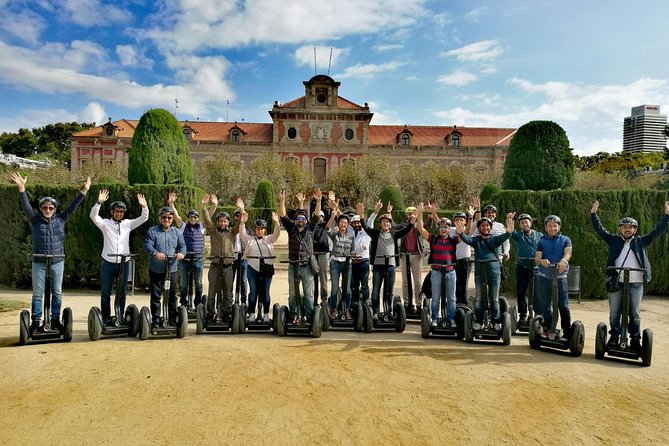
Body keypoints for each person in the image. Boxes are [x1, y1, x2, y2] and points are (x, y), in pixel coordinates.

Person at [12, 172, 91, 330]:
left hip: (57, 261)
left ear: (54, 210)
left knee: (57, 291)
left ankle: (55, 319)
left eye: (50, 208)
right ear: (41, 209)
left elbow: (73, 206)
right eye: (44, 207)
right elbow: (26, 207)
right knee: (38, 293)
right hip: (39, 261)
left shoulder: (61, 219)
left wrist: (84, 191)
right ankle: (35, 320)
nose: (47, 210)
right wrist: (21, 188)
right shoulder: (35, 220)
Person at [591, 200, 669, 351]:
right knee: (614, 312)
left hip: (635, 282)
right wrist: (594, 214)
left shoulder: (641, 241)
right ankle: (614, 336)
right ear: (620, 229)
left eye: (631, 227)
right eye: (624, 227)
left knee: (634, 313)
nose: (627, 229)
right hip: (616, 282)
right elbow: (600, 230)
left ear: (635, 230)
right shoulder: (613, 240)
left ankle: (634, 339)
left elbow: (656, 231)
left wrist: (666, 216)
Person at [91, 189, 149, 326]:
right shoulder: (105, 224)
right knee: (106, 293)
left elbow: (143, 218)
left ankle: (120, 316)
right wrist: (99, 202)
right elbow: (93, 216)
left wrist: (144, 206)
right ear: (112, 212)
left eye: (121, 212)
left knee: (122, 293)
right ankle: (105, 319)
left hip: (124, 262)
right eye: (116, 211)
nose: (119, 213)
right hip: (108, 262)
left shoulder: (128, 223)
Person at [456, 213, 515, 331]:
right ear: (479, 228)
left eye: (487, 226)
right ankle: (478, 320)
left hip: (494, 272)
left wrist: (508, 232)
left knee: (494, 298)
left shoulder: (495, 239)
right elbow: (466, 239)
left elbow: (504, 238)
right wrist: (460, 232)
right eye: (482, 226)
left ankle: (496, 321)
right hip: (479, 272)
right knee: (479, 299)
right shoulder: (476, 240)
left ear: (490, 227)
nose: (485, 227)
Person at [358, 202, 414, 321]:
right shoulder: (376, 234)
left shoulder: (394, 234)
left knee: (389, 291)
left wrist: (412, 221)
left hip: (391, 266)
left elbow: (406, 230)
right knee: (376, 290)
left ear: (390, 224)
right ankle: (375, 311)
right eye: (384, 221)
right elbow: (366, 227)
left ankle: (389, 311)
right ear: (380, 224)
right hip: (378, 265)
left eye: (388, 222)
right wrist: (361, 216)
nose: (386, 223)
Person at [415, 202, 458, 327]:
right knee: (436, 297)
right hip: (436, 271)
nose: (443, 229)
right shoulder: (433, 238)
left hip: (450, 271)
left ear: (449, 229)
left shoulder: (453, 240)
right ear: (438, 228)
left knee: (451, 298)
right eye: (441, 227)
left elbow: (465, 232)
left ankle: (451, 319)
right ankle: (434, 318)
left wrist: (471, 216)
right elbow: (420, 229)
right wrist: (420, 214)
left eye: (446, 227)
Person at [143, 206, 186, 327]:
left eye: (169, 217)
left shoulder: (177, 232)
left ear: (172, 219)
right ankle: (156, 319)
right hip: (156, 269)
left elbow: (183, 246)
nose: (166, 219)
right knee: (156, 295)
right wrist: (156, 253)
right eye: (164, 217)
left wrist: (181, 254)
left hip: (171, 270)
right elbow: (148, 245)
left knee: (172, 295)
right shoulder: (152, 231)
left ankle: (172, 318)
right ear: (160, 218)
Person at [279, 189, 316, 325]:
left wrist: (318, 201)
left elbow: (316, 216)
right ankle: (294, 315)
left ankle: (310, 316)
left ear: (306, 221)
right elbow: (283, 216)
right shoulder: (291, 229)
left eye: (303, 219)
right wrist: (282, 201)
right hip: (293, 266)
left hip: (306, 267)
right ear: (295, 221)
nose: (300, 220)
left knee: (308, 294)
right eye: (298, 218)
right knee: (293, 294)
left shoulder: (309, 230)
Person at [239, 208, 281, 323]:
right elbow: (242, 235)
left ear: (265, 230)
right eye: (258, 229)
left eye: (262, 229)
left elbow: (277, 234)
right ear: (254, 230)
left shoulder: (269, 239)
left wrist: (277, 223)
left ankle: (266, 314)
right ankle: (252, 313)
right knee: (253, 291)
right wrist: (242, 223)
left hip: (267, 268)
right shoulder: (250, 240)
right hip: (252, 268)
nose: (260, 231)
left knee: (265, 292)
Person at [201, 194, 239, 321]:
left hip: (228, 266)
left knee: (228, 293)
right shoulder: (213, 231)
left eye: (225, 221)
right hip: (215, 265)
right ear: (218, 222)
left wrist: (242, 210)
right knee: (212, 292)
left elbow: (240, 224)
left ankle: (226, 313)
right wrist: (204, 207)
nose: (223, 223)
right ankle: (211, 313)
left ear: (228, 222)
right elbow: (207, 221)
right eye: (221, 221)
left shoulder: (232, 232)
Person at [534, 215, 572, 339]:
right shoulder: (541, 241)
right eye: (549, 226)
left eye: (555, 226)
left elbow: (568, 253)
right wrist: (542, 261)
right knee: (545, 305)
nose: (552, 228)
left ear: (559, 227)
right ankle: (548, 329)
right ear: (546, 227)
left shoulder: (565, 239)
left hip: (560, 277)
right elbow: (537, 258)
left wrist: (563, 261)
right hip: (544, 277)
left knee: (563, 306)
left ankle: (567, 332)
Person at [167, 192, 205, 310]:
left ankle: (198, 303)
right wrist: (171, 204)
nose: (193, 219)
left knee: (198, 283)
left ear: (197, 218)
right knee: (184, 284)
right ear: (188, 218)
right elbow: (177, 216)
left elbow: (209, 218)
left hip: (198, 259)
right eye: (191, 217)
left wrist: (211, 206)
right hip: (185, 259)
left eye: (195, 217)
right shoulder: (183, 227)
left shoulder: (201, 227)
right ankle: (184, 303)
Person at [510, 214, 542, 324]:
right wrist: (510, 219)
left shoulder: (539, 235)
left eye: (526, 222)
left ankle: (536, 314)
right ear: (520, 225)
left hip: (536, 268)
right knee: (521, 291)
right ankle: (522, 315)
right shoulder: (518, 235)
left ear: (530, 223)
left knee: (536, 292)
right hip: (522, 267)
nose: (524, 224)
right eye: (522, 223)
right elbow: (510, 231)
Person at [325, 207, 355, 319]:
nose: (343, 224)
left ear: (348, 225)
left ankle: (346, 310)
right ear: (339, 224)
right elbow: (327, 228)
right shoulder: (335, 235)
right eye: (341, 222)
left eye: (345, 223)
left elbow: (353, 250)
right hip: (335, 263)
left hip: (347, 264)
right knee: (334, 288)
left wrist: (354, 254)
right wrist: (333, 216)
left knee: (347, 289)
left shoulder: (351, 236)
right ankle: (333, 309)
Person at [398, 206, 426, 312]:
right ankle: (406, 303)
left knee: (417, 281)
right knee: (405, 281)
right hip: (405, 255)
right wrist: (389, 213)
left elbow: (426, 225)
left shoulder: (418, 226)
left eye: (413, 214)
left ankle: (418, 304)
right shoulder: (403, 226)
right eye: (409, 214)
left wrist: (425, 215)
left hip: (416, 255)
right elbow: (394, 226)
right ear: (406, 216)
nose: (411, 216)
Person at [310, 189, 331, 308]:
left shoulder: (324, 226)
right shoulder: (311, 227)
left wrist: (330, 204)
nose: (320, 219)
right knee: (313, 280)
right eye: (318, 217)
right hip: (313, 254)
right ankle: (313, 302)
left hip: (323, 253)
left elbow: (331, 219)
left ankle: (324, 300)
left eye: (321, 217)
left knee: (323, 279)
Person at [348, 213, 372, 306]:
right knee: (354, 284)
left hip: (364, 261)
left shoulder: (366, 231)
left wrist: (376, 210)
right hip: (353, 261)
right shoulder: (350, 230)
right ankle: (355, 301)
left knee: (364, 285)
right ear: (352, 224)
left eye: (358, 223)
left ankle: (366, 301)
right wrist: (335, 208)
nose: (357, 225)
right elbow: (342, 219)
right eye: (354, 223)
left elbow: (370, 221)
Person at [232, 207, 250, 305]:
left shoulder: (247, 229)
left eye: (240, 216)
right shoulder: (231, 228)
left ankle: (243, 302)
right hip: (232, 258)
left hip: (243, 257)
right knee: (230, 280)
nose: (238, 218)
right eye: (237, 216)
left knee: (243, 280)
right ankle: (230, 301)